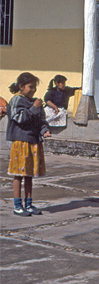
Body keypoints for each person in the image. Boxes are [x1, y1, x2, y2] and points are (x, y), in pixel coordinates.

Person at [7, 72, 51, 217]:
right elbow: (19, 118)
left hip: (34, 142)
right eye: (30, 87)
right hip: (21, 143)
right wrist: (34, 108)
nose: (33, 90)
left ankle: (29, 203)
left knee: (30, 174)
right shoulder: (16, 101)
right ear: (21, 86)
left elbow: (41, 121)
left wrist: (45, 130)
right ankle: (17, 205)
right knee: (18, 175)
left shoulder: (35, 102)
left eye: (34, 87)